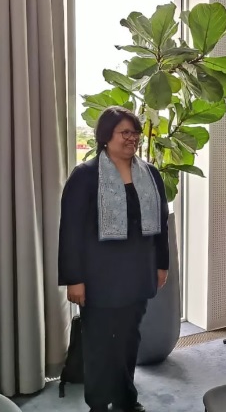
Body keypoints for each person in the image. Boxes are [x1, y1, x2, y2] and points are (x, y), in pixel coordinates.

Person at [58, 107, 169, 412]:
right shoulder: (85, 176)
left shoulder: (150, 174)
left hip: (138, 274)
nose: (132, 138)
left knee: (128, 340)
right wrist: (74, 279)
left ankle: (125, 399)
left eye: (135, 133)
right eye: (125, 133)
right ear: (106, 136)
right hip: (99, 279)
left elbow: (161, 224)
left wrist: (162, 264)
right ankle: (98, 404)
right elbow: (70, 232)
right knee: (99, 344)